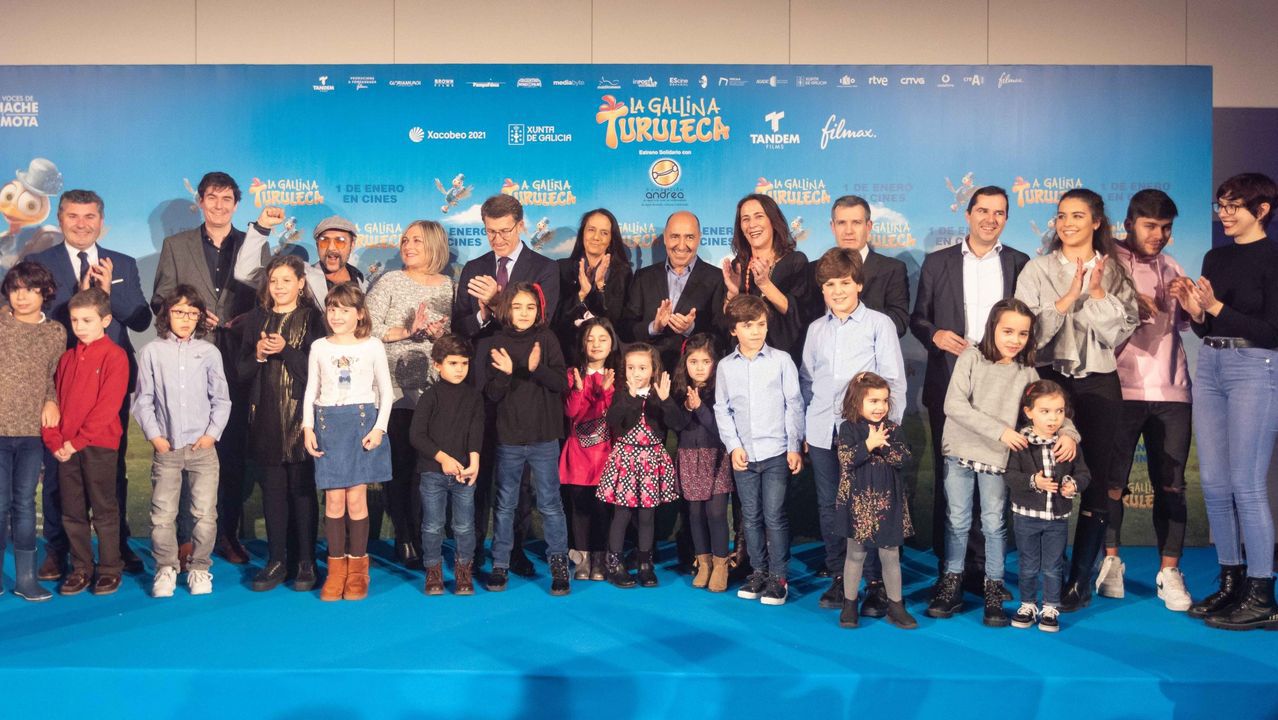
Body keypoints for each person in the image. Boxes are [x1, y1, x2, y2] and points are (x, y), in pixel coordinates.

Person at [1014, 188, 1139, 612]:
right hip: (1049, 380)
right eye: (1062, 215)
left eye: (1078, 216)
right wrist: (1068, 297)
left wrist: (1097, 293)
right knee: (1046, 473)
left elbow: (1119, 332)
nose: (1067, 224)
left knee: (1096, 480)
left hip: (1099, 382)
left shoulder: (1115, 271)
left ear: (1097, 222)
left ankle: (1079, 581)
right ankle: (1047, 572)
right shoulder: (1037, 269)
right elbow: (1029, 334)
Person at [927, 299, 1078, 626]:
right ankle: (951, 582)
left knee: (994, 523)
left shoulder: (1027, 372)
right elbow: (954, 405)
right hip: (960, 451)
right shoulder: (971, 357)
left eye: (1022, 334)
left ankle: (993, 588)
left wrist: (1069, 433)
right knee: (958, 520)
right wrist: (1001, 431)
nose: (1014, 340)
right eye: (1008, 331)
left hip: (997, 459)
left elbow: (1052, 406)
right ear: (992, 327)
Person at [910, 186, 1030, 588]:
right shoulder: (937, 262)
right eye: (983, 211)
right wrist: (935, 335)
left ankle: (985, 568)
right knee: (952, 478)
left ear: (1006, 219)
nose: (990, 219)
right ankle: (951, 568)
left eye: (999, 213)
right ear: (968, 214)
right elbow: (917, 319)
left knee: (994, 476)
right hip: (949, 382)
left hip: (1002, 389)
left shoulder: (1019, 262)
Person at [1172, 172, 1278, 630]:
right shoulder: (1216, 256)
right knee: (1214, 484)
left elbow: (1272, 332)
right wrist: (1197, 314)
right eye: (1221, 205)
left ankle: (1262, 592)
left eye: (1233, 206)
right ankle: (1231, 581)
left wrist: (1215, 308)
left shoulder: (1273, 257)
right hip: (1212, 365)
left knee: (1246, 484)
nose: (1224, 214)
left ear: (1262, 210)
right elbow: (1208, 328)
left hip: (1256, 367)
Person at [30, 189, 151, 580]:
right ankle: (59, 548)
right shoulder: (39, 262)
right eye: (73, 216)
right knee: (58, 466)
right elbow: (34, 319)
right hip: (60, 380)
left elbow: (141, 320)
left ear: (101, 220)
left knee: (110, 467)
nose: (81, 224)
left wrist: (106, 295)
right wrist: (81, 296)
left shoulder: (123, 263)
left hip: (108, 382)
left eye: (89, 216)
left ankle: (116, 547)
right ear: (60, 219)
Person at [151, 172, 269, 565]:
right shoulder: (176, 245)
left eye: (227, 199)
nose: (219, 206)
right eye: (212, 198)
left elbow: (269, 300)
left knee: (231, 453)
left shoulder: (254, 244)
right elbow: (160, 300)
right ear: (200, 202)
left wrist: (245, 322)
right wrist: (193, 318)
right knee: (185, 450)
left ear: (236, 204)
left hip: (238, 361)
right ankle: (186, 537)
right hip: (188, 362)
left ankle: (226, 535)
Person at [453, 194, 559, 575]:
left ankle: (514, 550)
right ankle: (474, 550)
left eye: (504, 231)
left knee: (520, 479)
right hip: (481, 384)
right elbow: (460, 326)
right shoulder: (474, 268)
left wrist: (498, 300)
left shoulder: (544, 268)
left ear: (521, 225)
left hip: (524, 387)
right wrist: (482, 315)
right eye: (490, 232)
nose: (497, 239)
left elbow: (543, 322)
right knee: (480, 470)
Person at [800, 247, 905, 614]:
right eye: (830, 284)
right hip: (822, 431)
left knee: (869, 504)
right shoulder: (816, 329)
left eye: (844, 282)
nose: (837, 291)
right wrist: (807, 427)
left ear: (858, 284)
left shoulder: (879, 324)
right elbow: (807, 380)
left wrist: (887, 433)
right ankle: (838, 578)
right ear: (822, 290)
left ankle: (875, 582)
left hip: (867, 435)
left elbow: (894, 381)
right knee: (831, 505)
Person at [1105, 189, 1194, 611]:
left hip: (1171, 391)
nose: (1158, 235)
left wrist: (1194, 304)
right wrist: (1126, 303)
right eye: (1150, 226)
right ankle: (1110, 563)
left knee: (1172, 485)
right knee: (1111, 484)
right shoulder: (1107, 264)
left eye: (1166, 228)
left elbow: (1192, 323)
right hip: (1118, 389)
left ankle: (1170, 572)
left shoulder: (1173, 266)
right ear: (1129, 224)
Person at [471, 281, 571, 595]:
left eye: (530, 307)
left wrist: (535, 368)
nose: (524, 313)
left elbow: (561, 383)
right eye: (517, 307)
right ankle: (500, 565)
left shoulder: (547, 338)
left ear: (539, 310)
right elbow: (490, 394)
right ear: (506, 309)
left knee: (550, 504)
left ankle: (558, 565)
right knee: (505, 505)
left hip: (544, 437)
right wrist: (506, 373)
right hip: (509, 438)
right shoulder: (495, 342)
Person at [134, 285, 231, 597]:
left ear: (200, 317)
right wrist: (156, 437)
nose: (186, 319)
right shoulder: (152, 352)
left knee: (205, 513)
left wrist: (211, 434)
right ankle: (165, 567)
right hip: (168, 448)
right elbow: (143, 400)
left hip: (202, 448)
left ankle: (199, 567)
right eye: (179, 312)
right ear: (167, 314)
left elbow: (221, 399)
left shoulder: (209, 352)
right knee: (163, 514)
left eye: (192, 313)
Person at [366, 220, 453, 569]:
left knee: (426, 470)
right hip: (395, 390)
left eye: (417, 240)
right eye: (405, 240)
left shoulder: (449, 286)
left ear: (434, 245)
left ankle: (424, 535)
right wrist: (407, 330)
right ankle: (405, 537)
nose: (408, 245)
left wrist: (438, 335)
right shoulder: (389, 281)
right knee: (401, 466)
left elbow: (455, 342)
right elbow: (365, 327)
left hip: (433, 392)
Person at [238, 255, 327, 592]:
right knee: (273, 492)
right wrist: (259, 354)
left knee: (302, 492)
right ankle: (277, 560)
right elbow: (241, 372)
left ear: (301, 283)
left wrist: (287, 350)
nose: (279, 287)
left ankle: (306, 561)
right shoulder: (256, 318)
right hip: (265, 417)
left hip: (302, 418)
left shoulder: (314, 318)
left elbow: (317, 372)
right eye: (274, 281)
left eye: (286, 280)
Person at [302, 283, 393, 602]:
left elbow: (386, 391)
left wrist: (379, 428)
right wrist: (308, 427)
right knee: (334, 500)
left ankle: (357, 570)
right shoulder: (319, 347)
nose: (336, 316)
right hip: (328, 424)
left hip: (362, 424)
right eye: (332, 309)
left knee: (356, 499)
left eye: (344, 310)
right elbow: (311, 389)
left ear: (360, 314)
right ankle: (335, 571)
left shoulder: (373, 345)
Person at [715, 295, 804, 606]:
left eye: (761, 324)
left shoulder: (781, 361)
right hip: (745, 457)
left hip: (777, 452)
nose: (755, 331)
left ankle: (779, 577)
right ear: (734, 330)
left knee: (774, 515)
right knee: (750, 517)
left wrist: (794, 446)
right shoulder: (726, 367)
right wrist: (733, 447)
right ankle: (758, 572)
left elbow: (794, 404)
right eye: (748, 325)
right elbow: (722, 408)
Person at [41, 288, 129, 596]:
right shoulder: (66, 359)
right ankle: (81, 567)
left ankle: (109, 568)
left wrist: (77, 441)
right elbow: (53, 403)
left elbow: (108, 406)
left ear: (105, 320)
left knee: (104, 509)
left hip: (98, 446)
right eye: (75, 320)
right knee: (72, 511)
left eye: (87, 320)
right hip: (66, 449)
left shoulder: (115, 356)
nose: (79, 327)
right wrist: (55, 442)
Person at [1004, 380, 1091, 633]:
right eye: (1045, 411)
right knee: (1028, 564)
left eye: (1059, 411)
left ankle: (1051, 607)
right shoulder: (1021, 443)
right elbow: (1010, 475)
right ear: (1029, 412)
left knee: (1054, 566)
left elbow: (1084, 474)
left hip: (1057, 518)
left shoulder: (1068, 444)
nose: (1053, 418)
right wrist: (1034, 482)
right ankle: (1028, 604)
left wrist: (1073, 485)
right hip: (1026, 516)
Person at [0, 262, 64, 601]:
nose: (21, 296)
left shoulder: (55, 333)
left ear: (45, 292)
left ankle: (26, 579)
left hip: (30, 434)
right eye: (15, 289)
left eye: (30, 289)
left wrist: (51, 400)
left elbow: (52, 377)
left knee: (24, 503)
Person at [834, 371, 917, 630]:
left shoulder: (894, 429)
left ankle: (896, 605)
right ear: (857, 401)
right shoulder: (848, 428)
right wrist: (868, 445)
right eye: (873, 401)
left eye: (884, 401)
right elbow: (846, 459)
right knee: (855, 554)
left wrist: (883, 445)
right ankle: (849, 604)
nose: (880, 407)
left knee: (890, 554)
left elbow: (903, 459)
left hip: (887, 502)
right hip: (857, 503)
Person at [596, 342, 680, 588]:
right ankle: (614, 564)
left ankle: (645, 563)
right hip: (626, 460)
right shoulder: (623, 394)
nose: (636, 372)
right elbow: (613, 420)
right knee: (621, 514)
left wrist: (666, 401)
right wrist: (631, 398)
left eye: (642, 367)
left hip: (652, 461)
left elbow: (677, 423)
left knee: (646, 515)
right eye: (631, 367)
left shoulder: (659, 394)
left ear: (653, 369)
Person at [411, 333, 484, 595]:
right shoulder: (430, 396)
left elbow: (476, 431)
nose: (459, 369)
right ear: (437, 364)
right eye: (453, 363)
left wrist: (474, 462)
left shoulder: (474, 397)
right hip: (433, 473)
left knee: (464, 526)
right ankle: (433, 571)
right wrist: (442, 458)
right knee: (432, 526)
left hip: (464, 473)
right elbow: (417, 435)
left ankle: (464, 571)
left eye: (464, 363)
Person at [624, 210, 726, 371]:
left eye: (689, 237)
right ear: (665, 238)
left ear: (699, 238)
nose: (681, 245)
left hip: (695, 375)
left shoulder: (718, 278)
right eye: (675, 236)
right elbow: (626, 328)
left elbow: (722, 335)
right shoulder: (643, 277)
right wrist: (654, 327)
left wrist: (691, 329)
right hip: (650, 374)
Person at [671, 333, 734, 593]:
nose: (699, 367)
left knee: (716, 513)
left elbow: (720, 429)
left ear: (715, 363)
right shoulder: (678, 392)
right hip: (690, 457)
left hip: (716, 456)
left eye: (705, 361)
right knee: (695, 514)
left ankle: (721, 565)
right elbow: (677, 426)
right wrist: (687, 407)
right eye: (693, 361)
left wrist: (700, 407)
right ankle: (704, 563)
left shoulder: (721, 390)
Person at [559, 317, 619, 581]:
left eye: (602, 339)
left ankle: (599, 558)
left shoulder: (616, 376)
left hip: (605, 453)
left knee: (603, 509)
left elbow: (613, 416)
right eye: (590, 339)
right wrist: (579, 390)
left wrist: (604, 392)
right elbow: (572, 412)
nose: (596, 344)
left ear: (611, 343)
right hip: (578, 453)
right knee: (579, 507)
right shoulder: (572, 374)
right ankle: (582, 558)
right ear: (582, 344)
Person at [723, 194, 810, 357]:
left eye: (759, 216)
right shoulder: (738, 265)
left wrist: (764, 284)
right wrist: (732, 294)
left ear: (773, 221)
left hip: (783, 356)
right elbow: (726, 322)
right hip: (743, 358)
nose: (752, 225)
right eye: (745, 219)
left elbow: (798, 314)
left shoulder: (795, 261)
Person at [235, 211, 366, 307]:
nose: (331, 248)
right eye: (324, 241)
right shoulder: (299, 274)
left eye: (340, 241)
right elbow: (246, 273)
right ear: (317, 245)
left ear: (352, 245)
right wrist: (261, 227)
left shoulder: (366, 284)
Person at [822, 195, 909, 336]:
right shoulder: (813, 270)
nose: (848, 231)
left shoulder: (892, 269)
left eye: (856, 222)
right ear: (833, 227)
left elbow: (899, 323)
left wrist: (852, 309)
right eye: (842, 223)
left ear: (868, 227)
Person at [556, 208, 632, 362]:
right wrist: (581, 295)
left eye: (604, 233)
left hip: (607, 360)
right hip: (566, 356)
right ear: (582, 234)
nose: (596, 237)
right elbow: (556, 321)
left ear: (611, 239)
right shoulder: (561, 268)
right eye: (591, 230)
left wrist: (599, 287)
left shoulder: (622, 273)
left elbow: (617, 323)